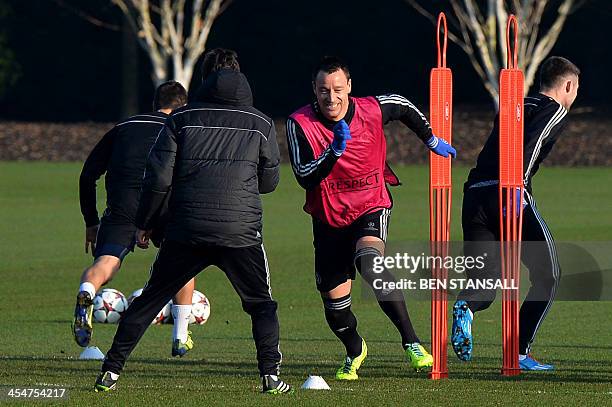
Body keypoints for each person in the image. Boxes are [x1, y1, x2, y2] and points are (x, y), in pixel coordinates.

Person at [94, 49, 293, 394]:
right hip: (240, 232)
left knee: (150, 300)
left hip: (187, 228)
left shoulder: (181, 118)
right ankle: (270, 377)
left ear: (204, 80)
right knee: (262, 305)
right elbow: (270, 182)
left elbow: (158, 179)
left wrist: (146, 222)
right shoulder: (261, 123)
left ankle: (110, 371)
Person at [286, 56, 457, 380]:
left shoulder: (371, 109)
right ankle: (354, 349)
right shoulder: (299, 123)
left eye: (338, 89)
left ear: (349, 87)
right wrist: (332, 153)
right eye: (324, 90)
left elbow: (403, 105)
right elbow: (304, 175)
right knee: (336, 309)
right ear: (314, 90)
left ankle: (412, 343)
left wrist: (430, 138)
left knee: (370, 263)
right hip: (328, 218)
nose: (331, 97)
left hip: (371, 204)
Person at [452, 56, 580, 370]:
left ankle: (465, 306)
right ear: (567, 85)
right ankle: (519, 353)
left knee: (484, 284)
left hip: (475, 194)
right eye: (575, 89)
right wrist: (515, 188)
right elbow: (531, 146)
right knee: (548, 275)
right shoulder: (555, 109)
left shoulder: (516, 104)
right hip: (508, 192)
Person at [73, 81, 197, 357]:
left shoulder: (123, 127)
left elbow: (88, 175)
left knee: (106, 263)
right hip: (166, 204)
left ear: (155, 104)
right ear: (183, 105)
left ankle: (87, 290)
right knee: (183, 265)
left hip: (123, 206)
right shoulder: (181, 126)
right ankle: (180, 336)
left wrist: (91, 221)